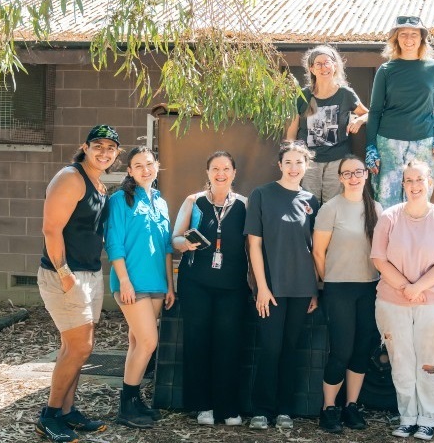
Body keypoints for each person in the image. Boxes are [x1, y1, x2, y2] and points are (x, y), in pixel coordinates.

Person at [36, 125, 119, 442]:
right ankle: (50, 415)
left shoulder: (98, 184)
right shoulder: (70, 178)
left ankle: (67, 412)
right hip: (65, 274)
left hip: (90, 273)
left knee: (76, 348)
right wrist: (64, 272)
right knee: (80, 346)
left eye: (111, 148)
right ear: (85, 147)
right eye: (98, 145)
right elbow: (51, 229)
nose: (104, 152)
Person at [370, 159, 434, 441]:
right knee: (401, 361)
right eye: (409, 180)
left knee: (430, 362)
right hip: (393, 301)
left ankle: (429, 419)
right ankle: (408, 417)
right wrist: (405, 288)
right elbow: (378, 258)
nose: (414, 186)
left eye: (419, 180)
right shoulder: (390, 217)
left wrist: (418, 287)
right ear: (403, 185)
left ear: (430, 182)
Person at [244, 140, 320, 431]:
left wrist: (314, 288)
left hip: (302, 289)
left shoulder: (311, 201)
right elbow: (254, 245)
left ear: (306, 166)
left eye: (299, 162)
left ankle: (285, 409)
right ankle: (262, 410)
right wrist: (262, 287)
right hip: (271, 288)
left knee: (291, 349)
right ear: (279, 165)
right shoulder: (262, 194)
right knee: (270, 348)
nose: (293, 167)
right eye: (288, 162)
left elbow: (314, 249)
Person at [171, 151, 250, 427]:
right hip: (196, 284)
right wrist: (186, 243)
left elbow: (254, 247)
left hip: (232, 286)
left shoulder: (244, 205)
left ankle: (228, 407)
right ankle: (202, 405)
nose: (220, 173)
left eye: (226, 168)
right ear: (207, 172)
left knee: (229, 344)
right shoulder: (194, 201)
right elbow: (175, 238)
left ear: (234, 172)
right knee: (197, 342)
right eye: (215, 168)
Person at [104, 146, 174, 428]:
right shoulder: (120, 200)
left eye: (149, 164)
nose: (145, 169)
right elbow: (114, 243)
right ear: (129, 171)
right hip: (130, 284)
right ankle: (126, 405)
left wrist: (170, 285)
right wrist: (123, 281)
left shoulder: (161, 201)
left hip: (157, 283)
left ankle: (133, 400)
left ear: (156, 166)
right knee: (149, 342)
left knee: (137, 343)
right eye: (138, 165)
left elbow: (168, 247)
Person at [312, 155, 382, 434]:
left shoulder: (375, 207)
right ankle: (328, 407)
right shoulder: (331, 208)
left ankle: (351, 406)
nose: (353, 177)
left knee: (362, 350)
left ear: (366, 175)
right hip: (339, 287)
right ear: (340, 178)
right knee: (341, 351)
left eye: (358, 172)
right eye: (347, 173)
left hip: (369, 287)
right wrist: (328, 280)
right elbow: (318, 252)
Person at [365, 15, 434, 209]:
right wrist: (370, 147)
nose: (408, 39)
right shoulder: (386, 70)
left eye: (414, 34)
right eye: (403, 34)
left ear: (422, 38)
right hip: (388, 144)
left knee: (419, 198)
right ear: (396, 38)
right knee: (387, 201)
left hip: (423, 144)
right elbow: (375, 111)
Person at [286, 45, 370, 203]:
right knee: (308, 204)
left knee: (333, 204)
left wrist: (359, 120)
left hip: (337, 160)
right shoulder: (303, 95)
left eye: (327, 62)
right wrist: (290, 155)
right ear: (311, 69)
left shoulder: (345, 94)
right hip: (309, 161)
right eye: (318, 64)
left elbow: (368, 113)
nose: (323, 67)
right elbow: (292, 128)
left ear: (335, 65)